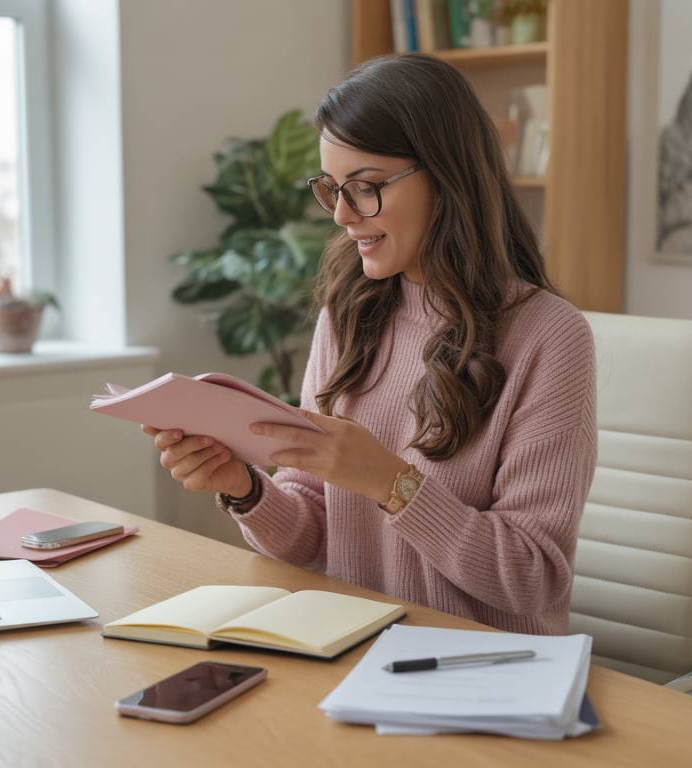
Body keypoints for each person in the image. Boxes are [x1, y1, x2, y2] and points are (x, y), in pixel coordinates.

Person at [142, 54, 596, 635]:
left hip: (485, 670)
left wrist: (389, 481)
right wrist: (244, 486)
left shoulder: (549, 337)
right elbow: (312, 537)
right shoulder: (351, 313)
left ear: (448, 175)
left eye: (366, 188)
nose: (341, 214)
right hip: (353, 645)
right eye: (331, 189)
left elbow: (532, 578)